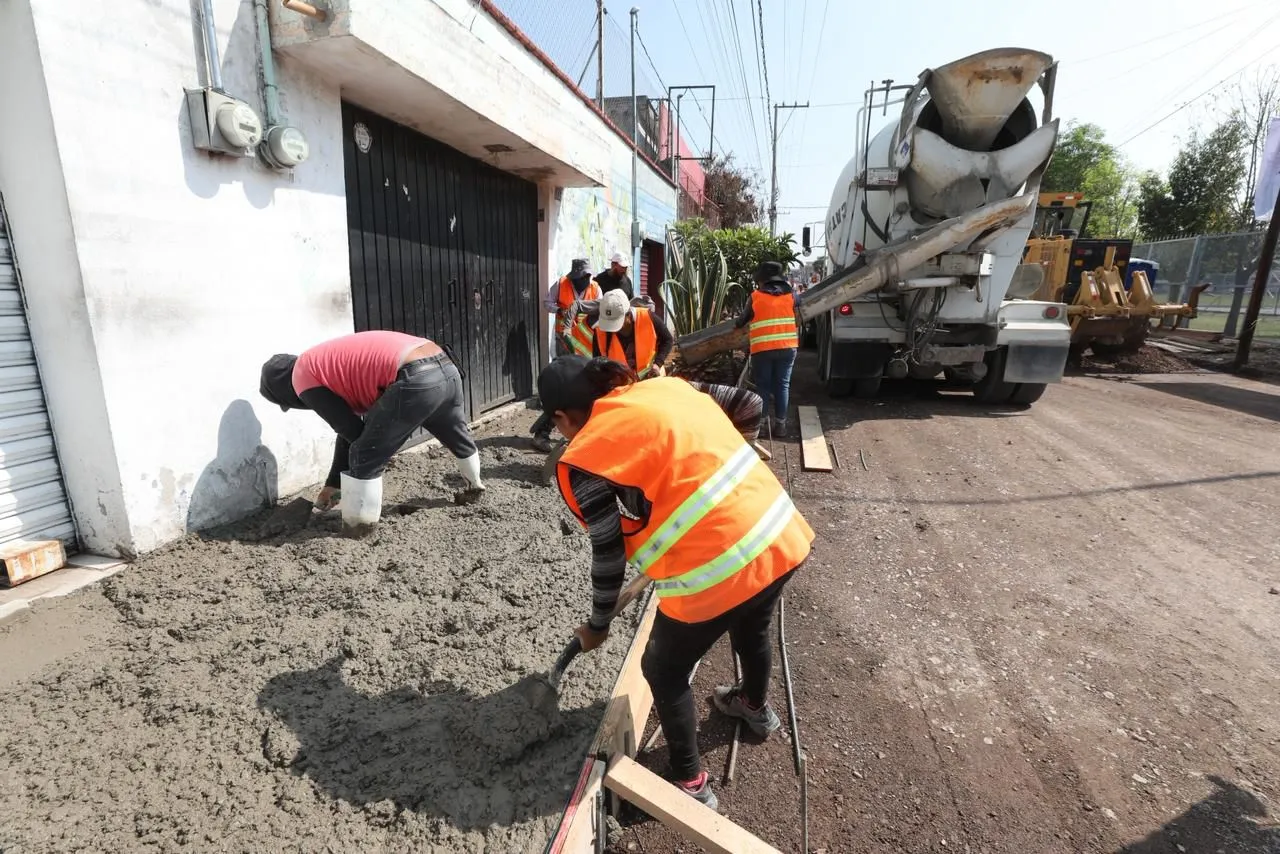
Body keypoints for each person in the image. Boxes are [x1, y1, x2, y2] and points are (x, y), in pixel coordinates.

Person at [539, 355, 812, 812]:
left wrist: (599, 625)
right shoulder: (666, 387)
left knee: (663, 671)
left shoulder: (584, 458)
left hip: (718, 567)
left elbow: (608, 557)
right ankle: (753, 707)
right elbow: (749, 403)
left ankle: (691, 783)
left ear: (562, 418)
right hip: (778, 531)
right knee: (752, 626)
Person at [258, 330, 484, 508]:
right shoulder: (322, 364)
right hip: (443, 363)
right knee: (454, 431)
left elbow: (354, 434)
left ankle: (359, 527)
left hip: (414, 375)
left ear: (282, 391)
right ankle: (474, 487)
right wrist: (333, 485)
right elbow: (347, 432)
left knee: (365, 454)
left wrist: (377, 452)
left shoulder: (302, 377)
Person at [532, 259, 602, 451]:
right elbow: (547, 303)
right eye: (582, 277)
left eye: (588, 276)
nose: (585, 280)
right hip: (565, 339)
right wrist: (559, 309)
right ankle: (542, 433)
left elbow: (598, 308)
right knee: (565, 386)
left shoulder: (596, 289)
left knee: (578, 389)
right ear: (575, 276)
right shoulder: (561, 283)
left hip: (587, 344)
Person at [735, 261, 800, 438]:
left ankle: (762, 424)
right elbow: (798, 313)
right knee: (782, 386)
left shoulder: (755, 296)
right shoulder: (792, 296)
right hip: (787, 348)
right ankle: (781, 425)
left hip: (762, 349)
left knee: (763, 386)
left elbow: (740, 321)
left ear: (762, 281)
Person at [564, 290, 673, 378]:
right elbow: (598, 363)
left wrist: (657, 364)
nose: (613, 329)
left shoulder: (647, 318)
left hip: (650, 378)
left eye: (616, 323)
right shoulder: (600, 331)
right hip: (620, 386)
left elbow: (668, 340)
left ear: (628, 315)